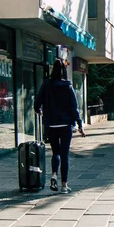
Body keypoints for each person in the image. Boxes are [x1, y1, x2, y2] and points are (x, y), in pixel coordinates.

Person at [34, 59, 86, 194]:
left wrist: (38, 110)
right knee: (64, 154)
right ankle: (64, 185)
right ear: (64, 71)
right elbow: (74, 108)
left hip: (51, 124)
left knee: (55, 152)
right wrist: (80, 124)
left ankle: (53, 175)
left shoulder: (46, 85)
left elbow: (37, 102)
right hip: (66, 125)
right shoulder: (68, 86)